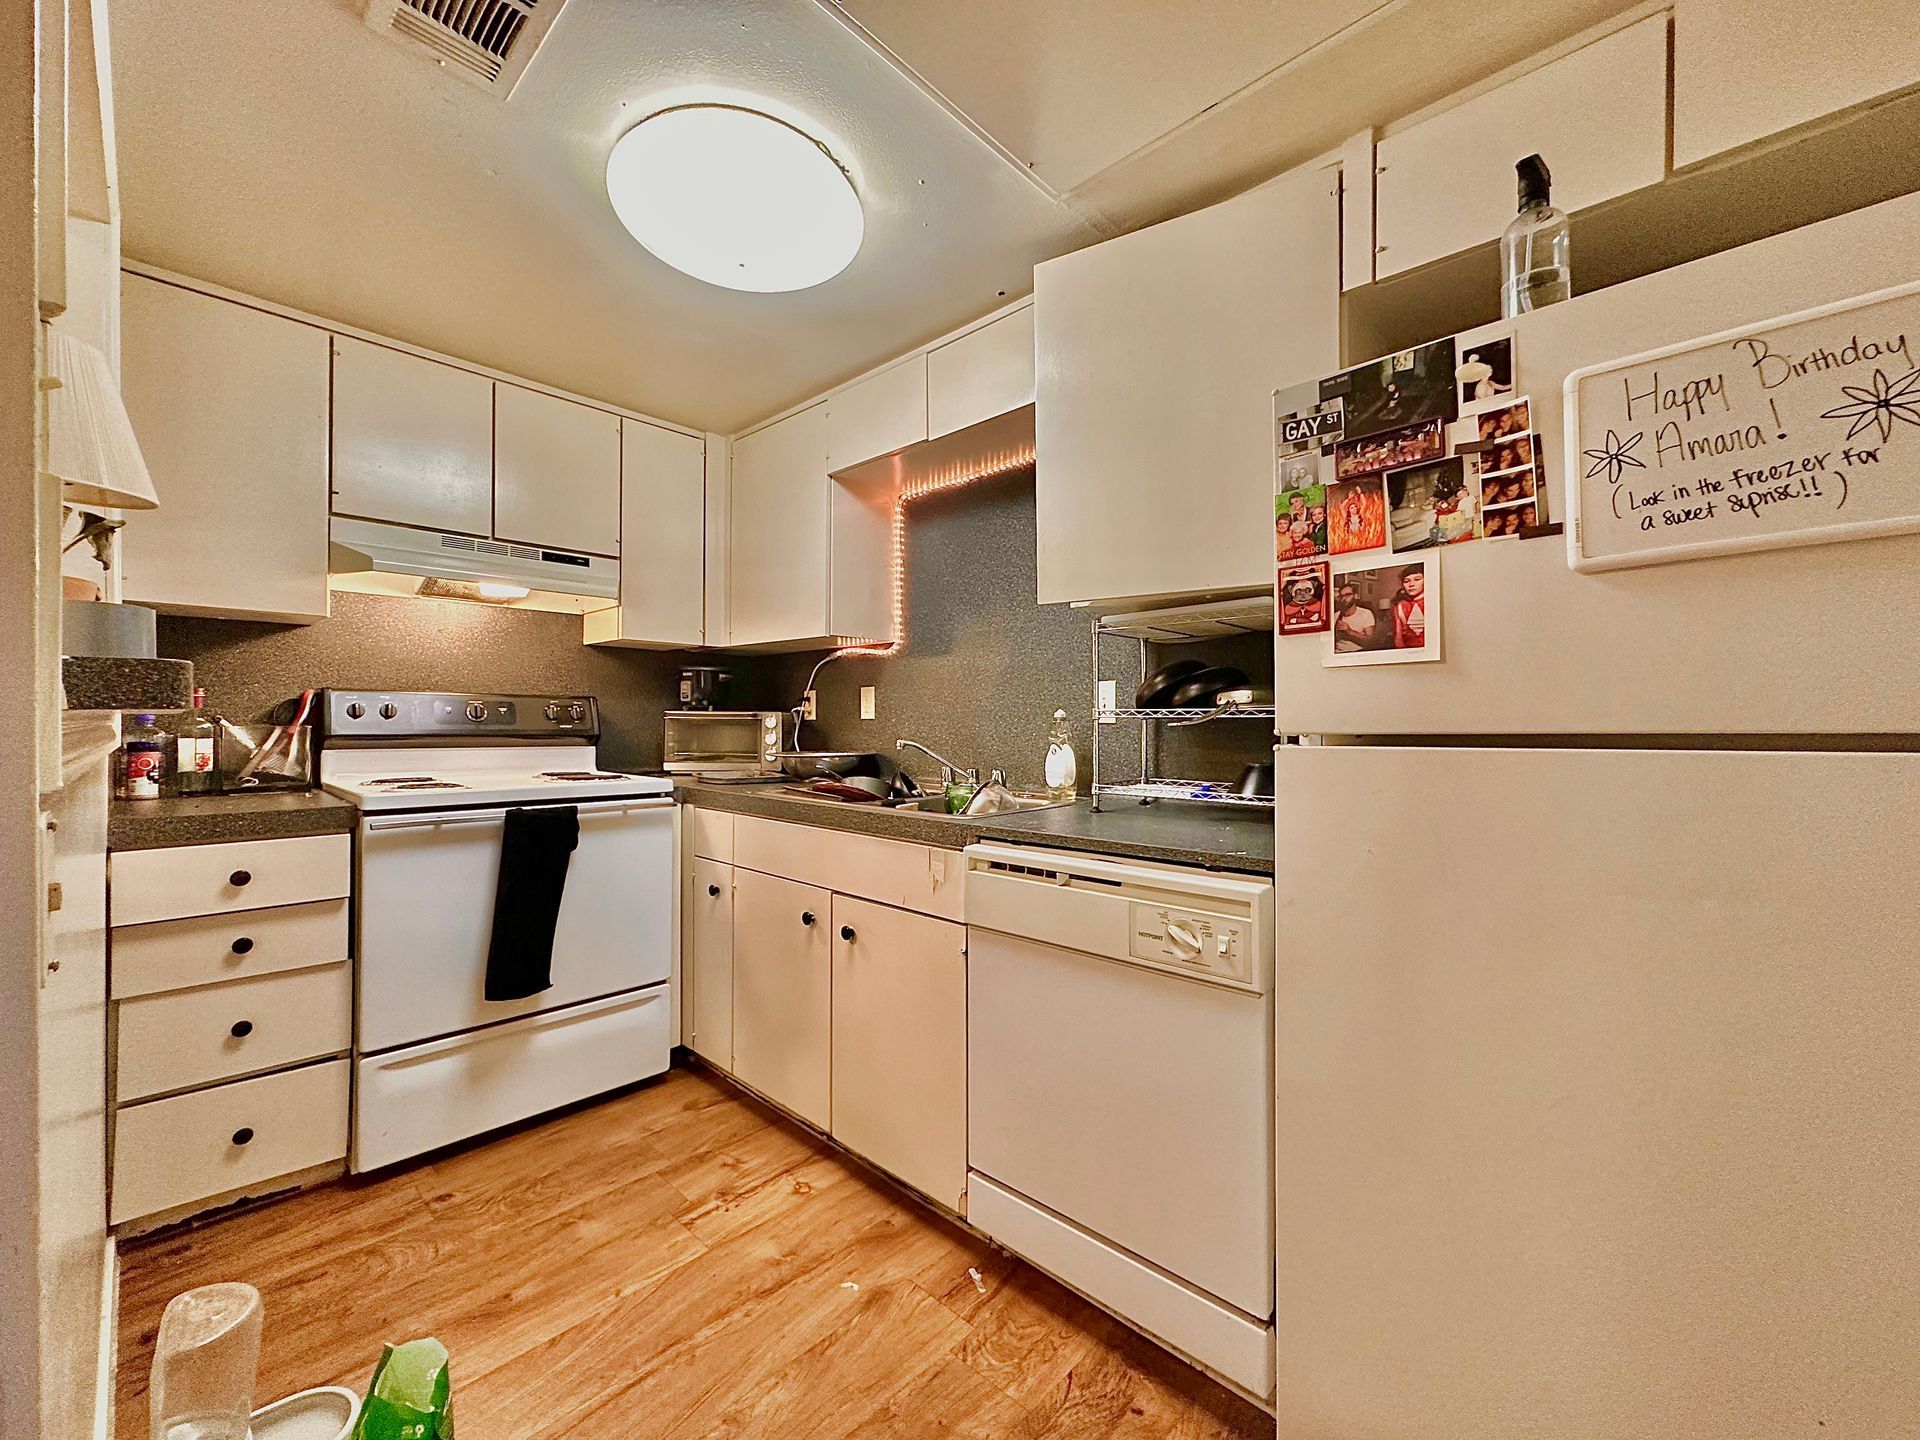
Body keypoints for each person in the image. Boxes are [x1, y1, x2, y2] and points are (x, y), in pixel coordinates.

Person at [1333, 583, 1377, 652]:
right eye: (1341, 596)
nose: (1344, 599)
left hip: (1357, 653)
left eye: (1347, 595)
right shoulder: (1336, 615)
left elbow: (1369, 641)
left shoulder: (1366, 613)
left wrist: (1349, 631)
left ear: (1355, 596)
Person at [1392, 568, 1427, 649]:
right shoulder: (1400, 605)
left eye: (1417, 579)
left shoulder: (1431, 601)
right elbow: (1398, 637)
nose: (1411, 584)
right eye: (1406, 581)